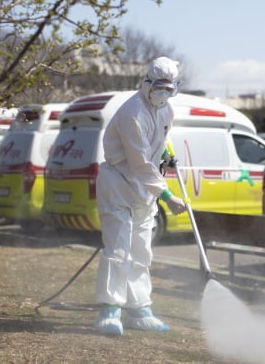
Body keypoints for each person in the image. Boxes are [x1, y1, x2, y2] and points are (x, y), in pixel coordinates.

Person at [94, 56, 186, 336]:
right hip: (119, 182)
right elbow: (139, 163)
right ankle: (109, 310)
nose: (164, 93)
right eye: (159, 86)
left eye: (169, 88)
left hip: (145, 189)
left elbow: (160, 139)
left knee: (141, 250)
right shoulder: (131, 113)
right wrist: (168, 195)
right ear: (147, 83)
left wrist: (167, 152)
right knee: (118, 249)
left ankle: (139, 308)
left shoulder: (166, 111)